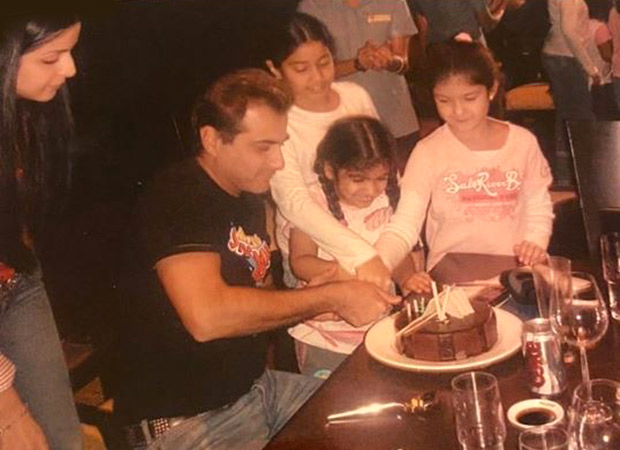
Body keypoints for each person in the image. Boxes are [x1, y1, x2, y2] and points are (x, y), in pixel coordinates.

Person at [114, 69, 399, 450]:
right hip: (188, 420)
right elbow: (208, 317)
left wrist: (317, 298)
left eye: (281, 145)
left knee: (386, 423)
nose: (279, 162)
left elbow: (261, 298)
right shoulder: (179, 195)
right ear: (212, 140)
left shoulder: (247, 199)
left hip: (258, 390)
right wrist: (330, 298)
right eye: (263, 147)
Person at [374, 40, 554, 279]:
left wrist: (535, 242)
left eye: (469, 98)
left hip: (515, 270)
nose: (458, 111)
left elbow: (538, 204)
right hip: (453, 274)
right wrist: (378, 261)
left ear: (491, 90)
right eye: (444, 101)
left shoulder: (523, 143)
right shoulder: (428, 151)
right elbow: (406, 222)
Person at [286, 116, 430, 377]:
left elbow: (397, 254)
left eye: (380, 178)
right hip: (324, 335)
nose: (371, 189)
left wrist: (408, 277)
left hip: (378, 328)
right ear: (330, 170)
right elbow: (301, 261)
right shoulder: (312, 204)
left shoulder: (387, 199)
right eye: (358, 179)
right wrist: (342, 273)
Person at [0, 7, 84, 450]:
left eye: (70, 52)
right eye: (51, 58)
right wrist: (7, 409)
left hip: (17, 284)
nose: (69, 70)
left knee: (61, 440)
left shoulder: (27, 114)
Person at [267, 12, 396, 291]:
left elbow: (381, 163)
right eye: (301, 69)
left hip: (373, 238)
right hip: (316, 254)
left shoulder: (355, 96)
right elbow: (294, 202)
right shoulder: (277, 120)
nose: (317, 78)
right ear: (275, 69)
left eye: (324, 63)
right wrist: (360, 256)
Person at [297, 0, 420, 173]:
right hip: (341, 121)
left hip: (395, 118)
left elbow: (402, 62)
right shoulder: (313, 6)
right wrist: (357, 63)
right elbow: (309, 71)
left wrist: (389, 61)